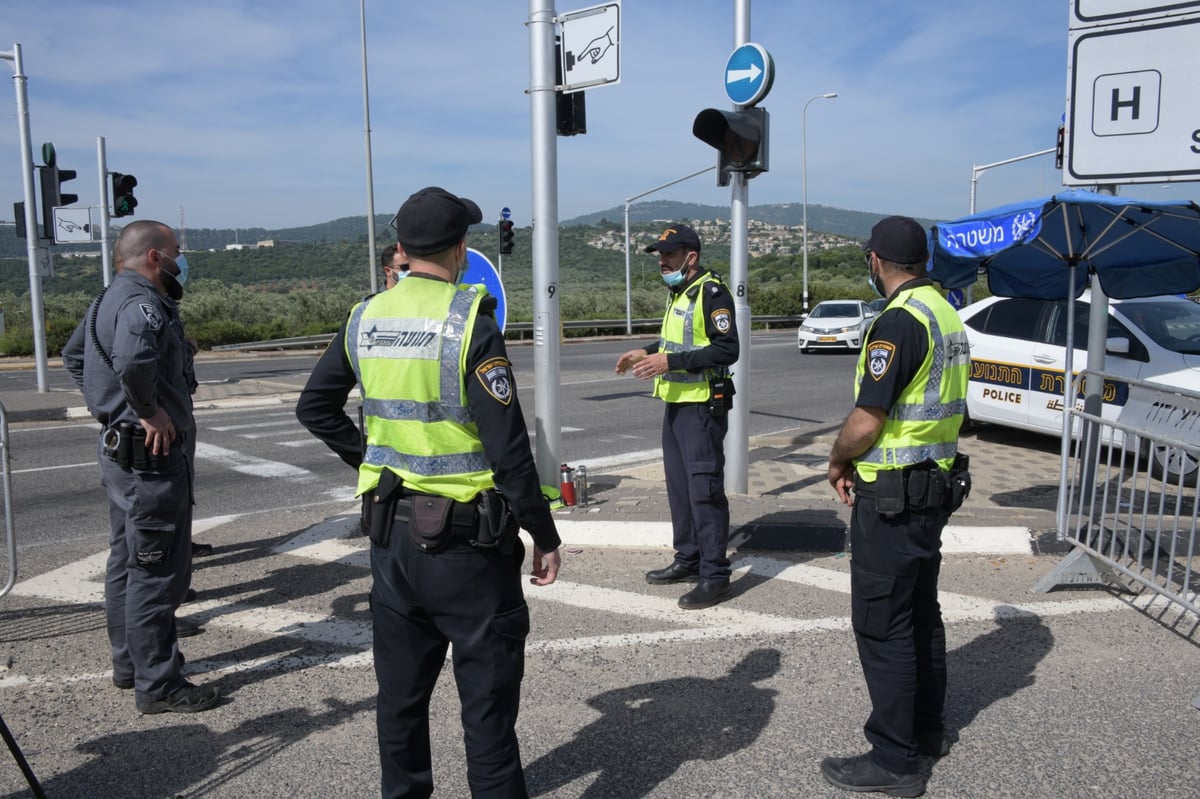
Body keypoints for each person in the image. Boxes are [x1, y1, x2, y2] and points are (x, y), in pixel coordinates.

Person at [296, 186, 562, 798]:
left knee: (400, 707)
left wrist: (372, 460)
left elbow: (315, 406)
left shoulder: (365, 316)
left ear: (401, 251)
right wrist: (542, 533)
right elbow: (509, 450)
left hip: (392, 540)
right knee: (488, 720)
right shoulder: (470, 320)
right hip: (470, 547)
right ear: (462, 250)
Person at [821, 215, 970, 797]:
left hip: (892, 499)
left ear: (876, 261)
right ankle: (927, 731)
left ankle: (895, 759)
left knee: (884, 625)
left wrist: (836, 460)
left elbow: (867, 419)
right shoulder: (946, 311)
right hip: (932, 490)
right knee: (920, 615)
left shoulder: (898, 322)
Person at [62, 220, 220, 714]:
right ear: (155, 256)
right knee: (156, 566)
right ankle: (160, 683)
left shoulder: (105, 300)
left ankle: (130, 663)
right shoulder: (144, 304)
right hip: (151, 456)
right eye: (177, 250)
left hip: (120, 451)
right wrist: (146, 411)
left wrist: (109, 408)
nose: (182, 259)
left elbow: (74, 356)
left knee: (126, 557)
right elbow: (131, 362)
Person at [614, 223, 738, 610]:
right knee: (680, 490)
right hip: (677, 403)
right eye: (661, 255)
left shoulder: (711, 293)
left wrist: (669, 361)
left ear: (691, 257)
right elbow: (677, 341)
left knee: (704, 493)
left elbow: (727, 349)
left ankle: (714, 575)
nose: (662, 261)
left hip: (702, 405)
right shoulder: (680, 292)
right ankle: (689, 559)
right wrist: (646, 350)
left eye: (669, 254)